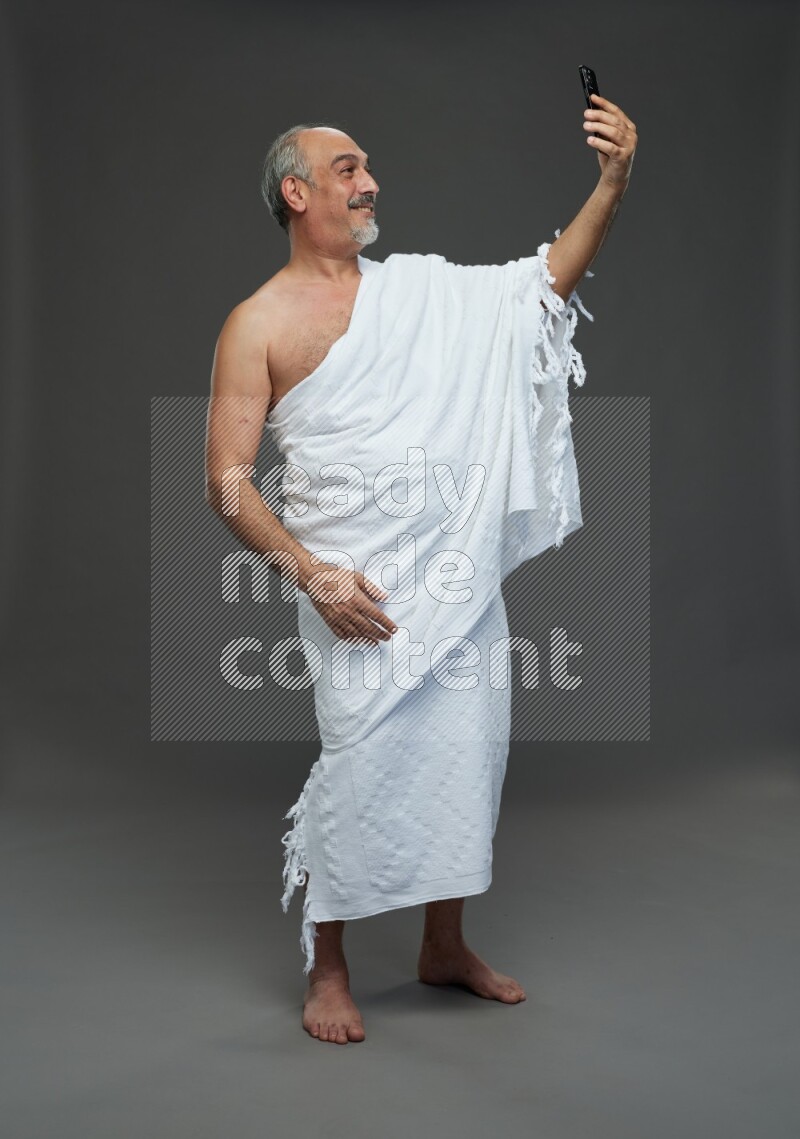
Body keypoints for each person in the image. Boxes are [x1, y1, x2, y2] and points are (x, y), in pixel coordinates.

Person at [205, 100, 637, 1045]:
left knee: (465, 753)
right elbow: (228, 480)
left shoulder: (422, 295)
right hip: (348, 583)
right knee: (358, 760)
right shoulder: (257, 323)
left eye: (368, 168)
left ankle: (445, 944)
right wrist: (310, 574)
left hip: (454, 575)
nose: (369, 183)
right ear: (296, 190)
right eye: (349, 168)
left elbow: (541, 287)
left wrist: (611, 183)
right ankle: (329, 966)